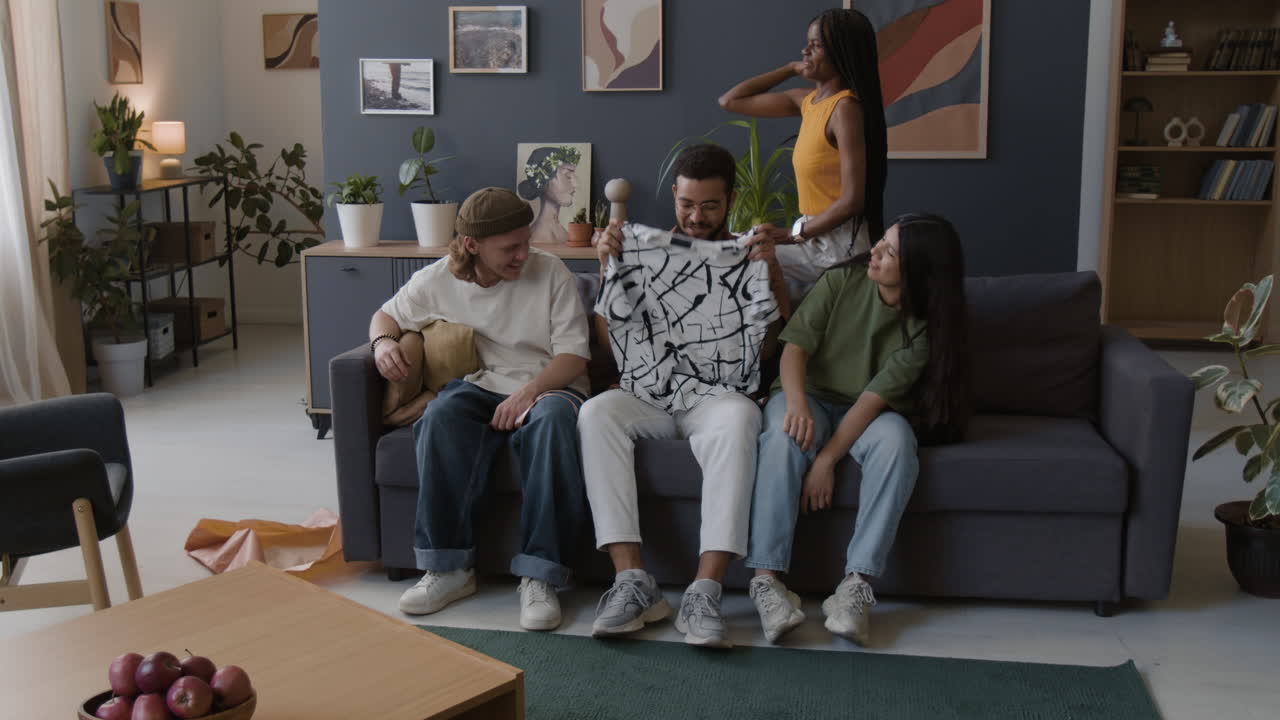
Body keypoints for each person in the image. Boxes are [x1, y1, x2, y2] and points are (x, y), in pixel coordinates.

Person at [580, 144, 788, 649]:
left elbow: (768, 348)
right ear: (674, 193)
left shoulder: (748, 254)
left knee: (741, 418)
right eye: (687, 204)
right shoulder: (641, 251)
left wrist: (770, 272)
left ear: (731, 200)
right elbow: (609, 346)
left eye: (710, 206)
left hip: (717, 397)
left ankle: (705, 590)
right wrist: (609, 268)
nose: (696, 217)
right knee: (595, 412)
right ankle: (632, 581)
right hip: (648, 394)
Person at [369, 187, 592, 631]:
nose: (523, 255)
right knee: (441, 416)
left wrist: (529, 393)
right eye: (510, 248)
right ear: (472, 245)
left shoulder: (552, 272)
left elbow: (573, 357)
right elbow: (385, 316)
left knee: (552, 423)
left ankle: (540, 575)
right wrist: (383, 345)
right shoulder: (438, 279)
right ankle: (449, 568)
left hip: (552, 384)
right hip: (485, 385)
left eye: (525, 242)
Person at [744, 212, 970, 647]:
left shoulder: (925, 329)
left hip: (866, 410)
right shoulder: (841, 281)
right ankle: (766, 581)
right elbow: (794, 350)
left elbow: (871, 400)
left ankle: (855, 587)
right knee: (784, 436)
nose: (875, 252)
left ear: (918, 271)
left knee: (898, 442)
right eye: (881, 241)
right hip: (808, 393)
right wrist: (795, 405)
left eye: (890, 252)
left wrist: (826, 460)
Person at [719, 7, 888, 301]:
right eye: (807, 43)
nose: (805, 51)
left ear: (842, 53)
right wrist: (790, 68)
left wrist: (794, 234)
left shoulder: (845, 109)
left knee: (738, 256)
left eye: (816, 45)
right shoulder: (807, 102)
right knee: (734, 247)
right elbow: (730, 101)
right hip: (815, 235)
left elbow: (853, 201)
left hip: (838, 245)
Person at [518, 146, 581, 246]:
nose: (576, 184)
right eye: (568, 176)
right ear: (545, 182)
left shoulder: (560, 231)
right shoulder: (538, 236)